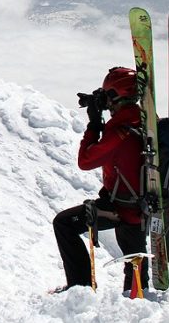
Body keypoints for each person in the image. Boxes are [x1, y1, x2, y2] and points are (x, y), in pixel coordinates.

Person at [53, 66, 150, 294]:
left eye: (108, 95)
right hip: (141, 207)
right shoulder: (144, 120)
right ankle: (140, 297)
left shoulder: (119, 130)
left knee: (64, 224)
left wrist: (94, 125)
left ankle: (80, 289)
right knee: (135, 273)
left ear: (116, 95)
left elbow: (85, 161)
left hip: (120, 208)